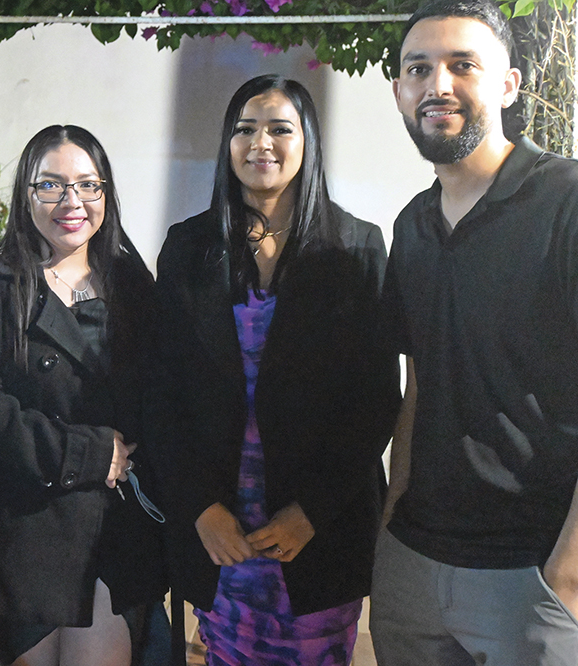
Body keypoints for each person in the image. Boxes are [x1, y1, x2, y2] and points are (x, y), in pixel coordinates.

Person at [148, 75, 400, 666]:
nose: (260, 142)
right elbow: (160, 393)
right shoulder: (188, 247)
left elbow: (374, 399)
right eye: (245, 129)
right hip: (221, 529)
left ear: (307, 141)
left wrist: (311, 512)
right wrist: (200, 508)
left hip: (316, 528)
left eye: (280, 129)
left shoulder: (356, 247)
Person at [370, 0, 578, 663]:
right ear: (399, 93)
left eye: (463, 65)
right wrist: (393, 515)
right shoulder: (412, 226)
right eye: (418, 69)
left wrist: (569, 573)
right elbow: (421, 383)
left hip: (531, 569)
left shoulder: (566, 201)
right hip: (413, 558)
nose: (438, 84)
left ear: (508, 85)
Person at [0, 125, 168, 666]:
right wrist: (88, 453)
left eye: (88, 185)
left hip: (114, 529)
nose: (72, 201)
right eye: (51, 185)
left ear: (105, 194)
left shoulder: (133, 284)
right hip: (25, 527)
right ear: (26, 194)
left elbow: (162, 396)